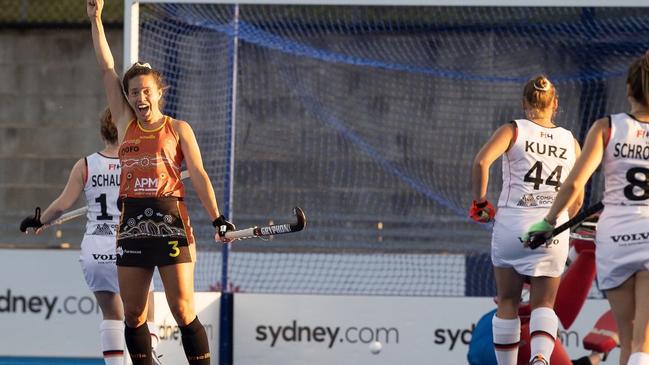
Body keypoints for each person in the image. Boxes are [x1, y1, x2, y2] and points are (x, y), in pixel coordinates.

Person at [87, 0, 235, 364]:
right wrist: (96, 19)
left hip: (171, 222)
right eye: (133, 92)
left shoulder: (178, 129)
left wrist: (217, 217)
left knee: (183, 310)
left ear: (159, 92)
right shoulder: (125, 125)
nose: (140, 98)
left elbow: (198, 175)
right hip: (132, 223)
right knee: (134, 314)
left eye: (146, 91)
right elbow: (107, 67)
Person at [524, 52, 649, 365]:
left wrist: (548, 222)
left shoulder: (607, 127)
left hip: (615, 239)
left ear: (629, 90)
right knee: (642, 342)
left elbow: (575, 184)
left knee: (625, 336)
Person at [19, 109, 162, 365]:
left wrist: (40, 220)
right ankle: (148, 357)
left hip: (96, 249)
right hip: (131, 245)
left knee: (111, 316)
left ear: (102, 131)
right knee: (144, 315)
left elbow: (62, 205)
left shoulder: (86, 165)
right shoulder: (138, 160)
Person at [471, 75, 583, 365]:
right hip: (552, 228)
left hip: (512, 224)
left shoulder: (513, 130)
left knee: (507, 300)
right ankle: (540, 359)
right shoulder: (571, 141)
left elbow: (482, 162)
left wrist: (480, 202)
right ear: (555, 105)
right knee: (544, 303)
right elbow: (578, 197)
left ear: (524, 103)